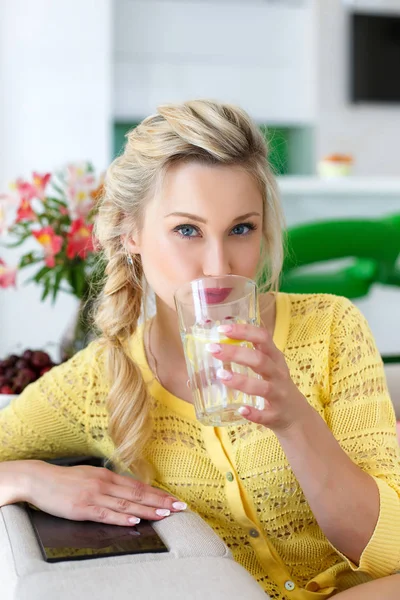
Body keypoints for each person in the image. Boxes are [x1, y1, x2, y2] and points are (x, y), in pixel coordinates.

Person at [0, 100, 399, 600]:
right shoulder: (102, 378)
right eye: (187, 230)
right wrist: (30, 480)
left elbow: (390, 554)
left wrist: (294, 420)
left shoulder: (332, 328)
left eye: (241, 229)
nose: (218, 264)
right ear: (132, 234)